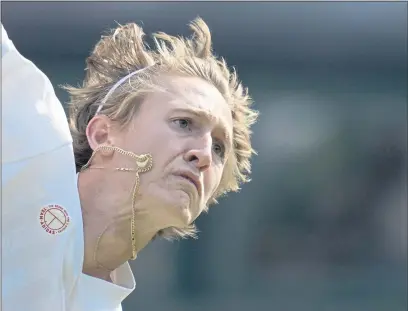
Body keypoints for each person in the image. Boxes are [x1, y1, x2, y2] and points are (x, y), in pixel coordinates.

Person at [1, 17, 258, 311]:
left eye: (218, 148)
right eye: (184, 123)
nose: (203, 155)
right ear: (102, 134)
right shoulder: (31, 137)